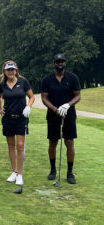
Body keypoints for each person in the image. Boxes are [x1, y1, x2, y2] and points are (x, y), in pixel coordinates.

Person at [41, 53, 81, 184]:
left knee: (69, 142)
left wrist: (68, 105)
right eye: (57, 62)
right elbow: (44, 98)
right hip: (53, 114)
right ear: (54, 64)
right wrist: (54, 109)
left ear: (65, 63)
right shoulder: (47, 80)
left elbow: (78, 96)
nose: (60, 64)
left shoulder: (72, 78)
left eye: (62, 61)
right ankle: (53, 170)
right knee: (53, 142)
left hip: (69, 113)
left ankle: (70, 172)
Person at [0, 60, 35, 186]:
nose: (11, 72)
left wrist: (28, 106)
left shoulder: (23, 82)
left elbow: (32, 97)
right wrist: (0, 108)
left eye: (12, 69)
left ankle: (19, 174)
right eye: (8, 70)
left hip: (21, 117)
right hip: (8, 118)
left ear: (16, 70)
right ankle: (14, 171)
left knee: (20, 145)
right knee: (10, 145)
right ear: (5, 72)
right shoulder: (2, 84)